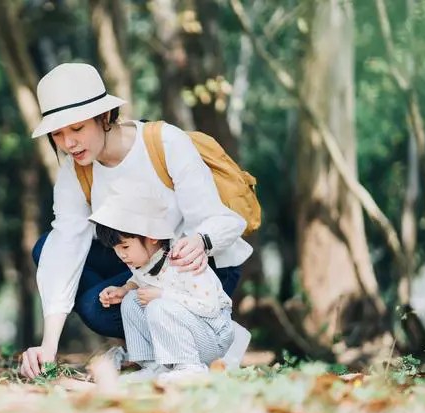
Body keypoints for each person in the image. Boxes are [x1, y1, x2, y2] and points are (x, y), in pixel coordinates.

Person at [20, 62, 252, 379]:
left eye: (76, 129)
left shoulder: (163, 143)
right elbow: (64, 247)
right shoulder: (75, 172)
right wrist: (48, 347)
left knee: (115, 303)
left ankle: (212, 340)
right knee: (50, 251)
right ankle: (158, 351)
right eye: (57, 134)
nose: (68, 143)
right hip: (142, 265)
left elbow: (215, 219)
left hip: (198, 267)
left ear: (105, 117)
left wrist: (200, 241)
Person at [90, 179, 235, 381]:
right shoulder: (146, 262)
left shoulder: (183, 261)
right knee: (132, 301)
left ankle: (190, 367)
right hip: (184, 330)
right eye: (116, 250)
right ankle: (154, 365)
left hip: (212, 336)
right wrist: (124, 289)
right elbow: (139, 279)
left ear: (152, 236)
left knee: (158, 306)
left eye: (125, 247)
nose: (121, 256)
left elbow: (209, 307)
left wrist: (164, 296)